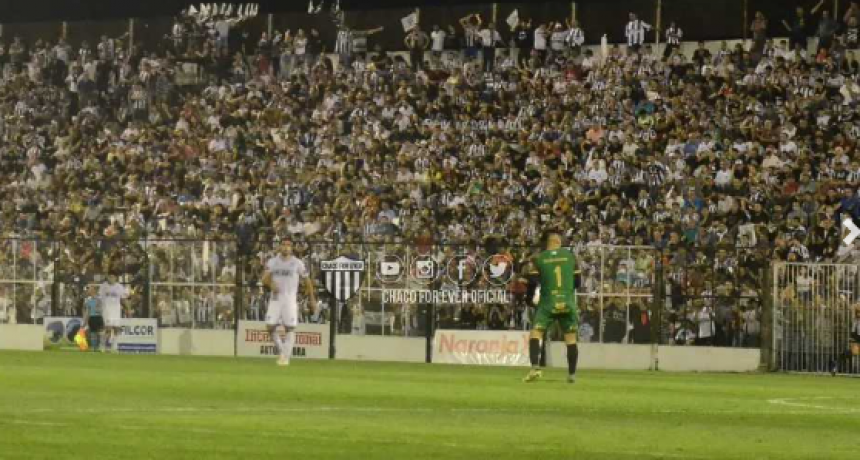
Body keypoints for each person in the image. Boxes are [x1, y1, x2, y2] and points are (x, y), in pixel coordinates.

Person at [523, 231, 580, 384]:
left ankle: (535, 368)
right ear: (558, 241)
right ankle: (572, 375)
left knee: (536, 333)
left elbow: (533, 281)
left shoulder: (540, 258)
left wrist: (529, 299)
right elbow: (578, 282)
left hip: (548, 301)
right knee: (570, 338)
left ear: (548, 242)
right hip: (567, 301)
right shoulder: (570, 257)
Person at [262, 238, 317, 366]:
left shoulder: (297, 263)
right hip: (275, 299)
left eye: (288, 245)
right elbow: (264, 279)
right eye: (284, 245)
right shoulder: (273, 261)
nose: (286, 247)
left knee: (290, 328)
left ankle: (285, 358)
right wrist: (271, 284)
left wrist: (312, 298)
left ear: (291, 248)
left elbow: (307, 281)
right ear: (280, 246)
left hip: (290, 299)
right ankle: (283, 352)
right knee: (270, 326)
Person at [98, 273, 128, 353]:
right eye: (110, 276)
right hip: (107, 310)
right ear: (107, 277)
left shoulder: (119, 287)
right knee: (108, 328)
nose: (111, 278)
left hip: (116, 310)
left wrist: (128, 309)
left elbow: (123, 299)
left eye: (113, 276)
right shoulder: (103, 286)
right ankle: (103, 345)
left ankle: (114, 346)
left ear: (116, 277)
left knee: (116, 329)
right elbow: (100, 299)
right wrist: (99, 309)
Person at [83, 285, 104, 352]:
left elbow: (100, 309)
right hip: (91, 318)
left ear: (94, 291)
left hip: (98, 317)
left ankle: (101, 347)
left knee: (100, 333)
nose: (89, 291)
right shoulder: (88, 300)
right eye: (89, 290)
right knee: (93, 334)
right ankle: (94, 348)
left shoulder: (99, 299)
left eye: (90, 290)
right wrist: (85, 321)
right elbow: (88, 311)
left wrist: (97, 308)